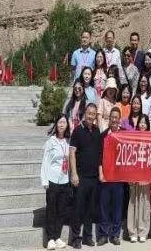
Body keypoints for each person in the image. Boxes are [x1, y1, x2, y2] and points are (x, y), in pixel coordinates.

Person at [69, 103, 101, 248]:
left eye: (93, 114)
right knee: (78, 208)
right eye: (89, 113)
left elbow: (99, 152)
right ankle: (75, 238)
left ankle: (87, 237)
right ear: (85, 113)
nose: (91, 116)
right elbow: (72, 153)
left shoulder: (97, 130)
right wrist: (74, 174)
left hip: (93, 177)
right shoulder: (77, 131)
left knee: (90, 209)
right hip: (81, 177)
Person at [41, 115, 71, 250]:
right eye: (60, 122)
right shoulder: (51, 142)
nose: (62, 125)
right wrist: (45, 180)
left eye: (64, 122)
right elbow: (45, 161)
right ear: (56, 124)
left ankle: (57, 236)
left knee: (61, 210)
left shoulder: (69, 141)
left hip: (65, 179)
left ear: (67, 125)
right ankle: (50, 239)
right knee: (51, 210)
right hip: (52, 179)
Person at [97, 107, 125, 246]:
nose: (114, 119)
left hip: (119, 178)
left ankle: (115, 235)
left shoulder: (125, 134)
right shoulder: (103, 135)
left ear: (120, 119)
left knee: (117, 207)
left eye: (116, 117)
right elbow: (99, 156)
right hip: (106, 177)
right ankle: (103, 235)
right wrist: (101, 173)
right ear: (109, 119)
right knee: (104, 206)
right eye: (112, 117)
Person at [127, 114, 151, 243]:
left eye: (144, 123)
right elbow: (129, 156)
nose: (142, 125)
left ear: (147, 125)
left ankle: (143, 231)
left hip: (146, 175)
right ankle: (132, 231)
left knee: (144, 203)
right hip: (133, 175)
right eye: (141, 122)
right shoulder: (133, 137)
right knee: (133, 202)